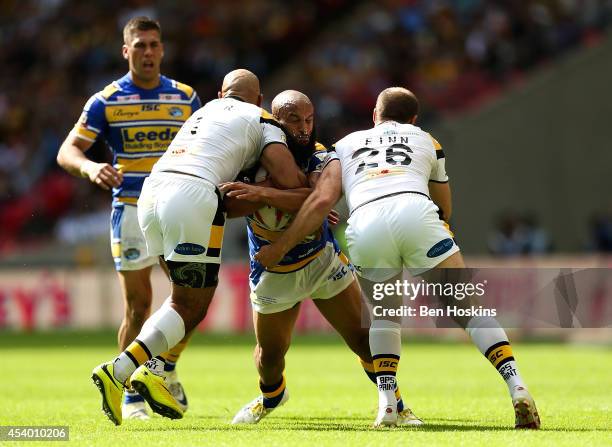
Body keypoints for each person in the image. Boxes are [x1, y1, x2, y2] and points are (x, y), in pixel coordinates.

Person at [255, 87, 541, 429]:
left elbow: (321, 195)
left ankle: (388, 406)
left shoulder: (343, 146)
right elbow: (444, 205)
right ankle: (517, 386)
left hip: (366, 221)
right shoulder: (427, 139)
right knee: (468, 309)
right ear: (414, 119)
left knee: (384, 317)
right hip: (416, 210)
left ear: (375, 114)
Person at [90, 69, 306, 426]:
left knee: (181, 298)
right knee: (191, 304)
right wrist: (306, 190)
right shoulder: (260, 118)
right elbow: (286, 176)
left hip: (151, 192)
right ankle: (121, 370)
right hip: (191, 195)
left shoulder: (202, 112)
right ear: (259, 99)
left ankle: (154, 371)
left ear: (222, 93)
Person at [219, 90, 422, 426]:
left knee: (363, 338)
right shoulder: (247, 157)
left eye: (309, 119)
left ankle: (396, 404)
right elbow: (230, 205)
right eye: (294, 120)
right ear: (275, 121)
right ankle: (272, 395)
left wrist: (263, 192)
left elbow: (319, 198)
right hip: (274, 269)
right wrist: (294, 198)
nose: (304, 127)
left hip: (321, 260)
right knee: (269, 358)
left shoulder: (320, 154)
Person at [57, 16, 200, 420]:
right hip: (133, 208)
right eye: (140, 45)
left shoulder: (187, 99)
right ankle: (128, 392)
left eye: (154, 45)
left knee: (191, 301)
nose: (148, 52)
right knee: (139, 306)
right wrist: (90, 169)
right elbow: (68, 151)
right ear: (126, 51)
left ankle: (164, 369)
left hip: (179, 209)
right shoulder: (107, 100)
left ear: (163, 50)